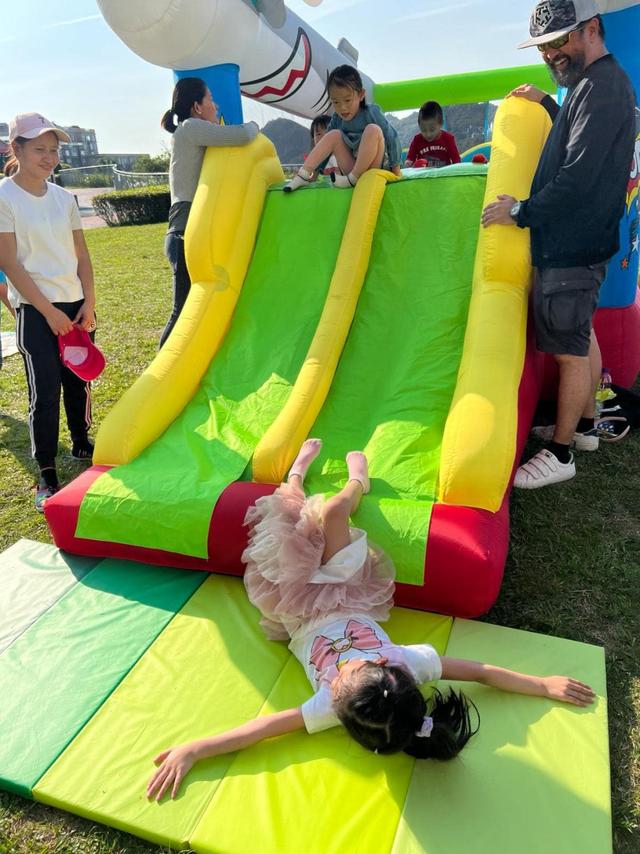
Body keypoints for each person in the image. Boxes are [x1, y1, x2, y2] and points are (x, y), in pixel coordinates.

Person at [146, 439, 595, 801]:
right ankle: (358, 480)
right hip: (348, 589)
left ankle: (297, 475)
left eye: (339, 678)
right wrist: (540, 684)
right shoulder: (409, 663)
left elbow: (262, 729)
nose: (343, 668)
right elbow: (479, 672)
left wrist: (195, 749)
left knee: (284, 523)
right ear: (388, 670)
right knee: (335, 514)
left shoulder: (329, 709)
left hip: (299, 605)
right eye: (360, 667)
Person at [481, 0, 636, 489]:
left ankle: (561, 452)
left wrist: (520, 211)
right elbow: (576, 134)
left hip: (572, 244)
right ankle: (586, 427)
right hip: (580, 244)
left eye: (558, 42)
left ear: (591, 29)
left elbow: (577, 178)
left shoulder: (604, 86)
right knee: (580, 336)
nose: (550, 54)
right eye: (544, 47)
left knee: (568, 352)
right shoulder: (592, 85)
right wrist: (548, 103)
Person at [0, 113, 98, 511]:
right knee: (46, 392)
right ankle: (46, 476)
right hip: (37, 311)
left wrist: (88, 302)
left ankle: (81, 443)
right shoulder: (5, 196)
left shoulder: (63, 198)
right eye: (39, 148)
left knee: (78, 381)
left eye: (54, 149)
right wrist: (48, 312)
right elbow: (10, 263)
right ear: (16, 149)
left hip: (75, 308)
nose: (49, 157)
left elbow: (82, 255)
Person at [159, 77, 260, 347]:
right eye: (210, 100)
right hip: (183, 234)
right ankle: (159, 374)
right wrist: (256, 124)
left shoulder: (191, 133)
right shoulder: (191, 128)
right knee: (182, 311)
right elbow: (242, 135)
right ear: (197, 107)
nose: (215, 106)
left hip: (191, 232)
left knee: (196, 309)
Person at [284, 65, 402, 192]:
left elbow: (392, 136)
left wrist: (396, 169)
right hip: (351, 168)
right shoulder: (337, 119)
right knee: (333, 135)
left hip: (374, 168)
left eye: (347, 100)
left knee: (373, 130)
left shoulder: (372, 112)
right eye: (336, 102)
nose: (342, 108)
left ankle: (353, 178)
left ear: (361, 95)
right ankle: (303, 174)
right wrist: (316, 173)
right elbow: (326, 148)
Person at [405, 101, 461, 168]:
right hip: (424, 176)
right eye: (423, 130)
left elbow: (457, 161)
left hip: (443, 176)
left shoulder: (448, 139)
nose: (428, 134)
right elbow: (410, 160)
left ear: (441, 124)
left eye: (432, 130)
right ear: (419, 126)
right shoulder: (417, 140)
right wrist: (409, 163)